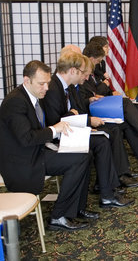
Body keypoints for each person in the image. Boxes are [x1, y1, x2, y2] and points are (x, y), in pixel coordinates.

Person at [0, 60, 92, 231]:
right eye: (42, 84)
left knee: (84, 153)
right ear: (27, 80)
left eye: (48, 83)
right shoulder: (15, 102)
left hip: (37, 151)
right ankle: (59, 216)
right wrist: (54, 130)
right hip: (23, 161)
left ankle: (76, 209)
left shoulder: (33, 96)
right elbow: (26, 138)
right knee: (79, 159)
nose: (46, 88)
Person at [42, 50, 133, 208]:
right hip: (59, 137)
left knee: (108, 134)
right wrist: (82, 120)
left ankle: (108, 187)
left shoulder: (66, 86)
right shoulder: (53, 88)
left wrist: (82, 120)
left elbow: (73, 112)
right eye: (83, 73)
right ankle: (107, 193)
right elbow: (55, 121)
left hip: (72, 128)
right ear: (73, 71)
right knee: (102, 141)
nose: (86, 77)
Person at [82, 42, 138, 168]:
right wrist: (103, 87)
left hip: (101, 102)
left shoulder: (94, 68)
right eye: (99, 60)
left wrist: (109, 91)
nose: (100, 62)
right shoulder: (82, 74)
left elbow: (97, 89)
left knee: (135, 110)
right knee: (125, 105)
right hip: (93, 111)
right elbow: (92, 93)